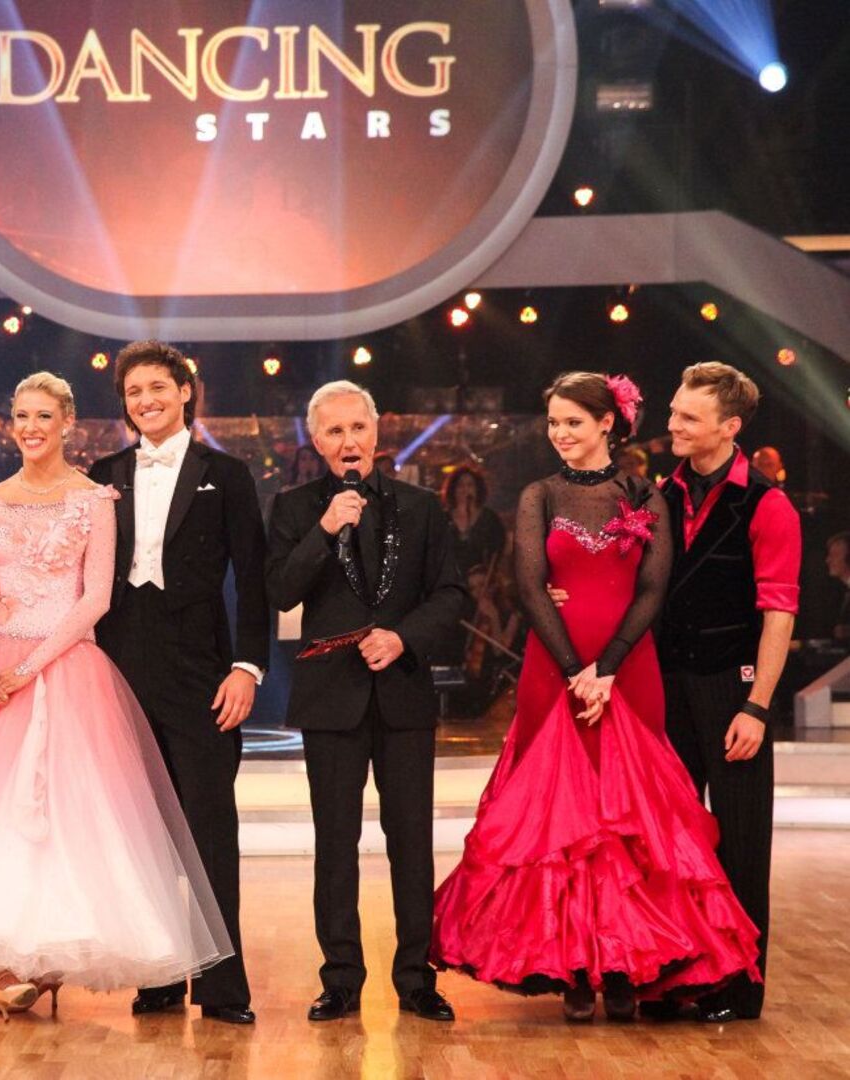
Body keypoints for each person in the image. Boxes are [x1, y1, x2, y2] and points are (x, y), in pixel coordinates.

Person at [431, 372, 762, 1022]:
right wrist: (573, 669)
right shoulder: (540, 494)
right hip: (553, 668)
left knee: (626, 822)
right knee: (561, 822)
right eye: (553, 423)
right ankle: (574, 970)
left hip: (627, 668)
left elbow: (653, 588)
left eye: (573, 422)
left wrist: (607, 668)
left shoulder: (645, 494)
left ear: (607, 422)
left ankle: (626, 966)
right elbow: (530, 586)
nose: (560, 434)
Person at [0, 372, 232, 1021]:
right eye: (20, 416)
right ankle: (5, 962)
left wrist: (30, 665)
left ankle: (46, 959)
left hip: (63, 669)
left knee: (60, 817)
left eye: (42, 416)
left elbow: (97, 598)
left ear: (66, 424)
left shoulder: (94, 500)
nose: (30, 427)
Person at [0, 340, 267, 1023]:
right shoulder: (102, 478)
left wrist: (247, 667)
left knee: (209, 826)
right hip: (115, 669)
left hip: (201, 673)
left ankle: (223, 989)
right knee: (137, 831)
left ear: (186, 392)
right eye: (134, 392)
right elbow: (53, 570)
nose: (146, 401)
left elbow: (254, 582)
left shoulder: (226, 476)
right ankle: (156, 978)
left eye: (158, 388)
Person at [266, 380, 466, 1024]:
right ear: (316, 441)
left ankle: (416, 978)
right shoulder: (295, 508)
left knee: (411, 841)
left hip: (403, 692)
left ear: (376, 434)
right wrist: (325, 529)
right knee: (335, 844)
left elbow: (451, 594)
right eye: (334, 431)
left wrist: (402, 637)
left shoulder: (422, 507)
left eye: (357, 428)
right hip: (331, 699)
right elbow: (280, 591)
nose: (348, 441)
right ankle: (341, 980)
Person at [649, 363, 801, 1023]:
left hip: (733, 692)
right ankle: (676, 978)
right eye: (674, 411)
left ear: (730, 426)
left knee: (740, 845)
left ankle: (739, 987)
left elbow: (779, 613)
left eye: (688, 416)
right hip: (666, 691)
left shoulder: (767, 504)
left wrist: (758, 707)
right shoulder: (662, 494)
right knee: (674, 845)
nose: (673, 425)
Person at [442, 465, 507, 577]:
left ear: (477, 489)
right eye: (460, 485)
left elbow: (498, 552)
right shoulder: (443, 518)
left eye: (470, 485)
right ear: (453, 489)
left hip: (481, 581)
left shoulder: (489, 518)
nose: (465, 489)